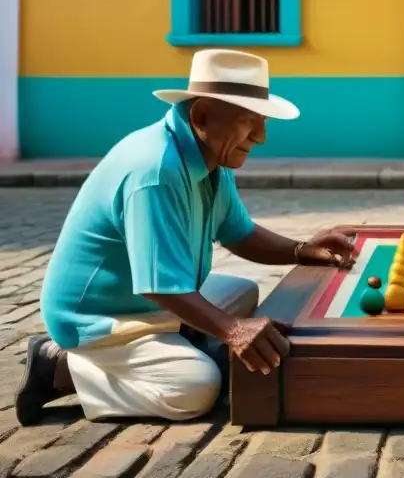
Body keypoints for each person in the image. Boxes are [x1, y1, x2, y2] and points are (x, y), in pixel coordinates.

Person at [16, 49, 355, 426]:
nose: (260, 136)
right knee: (194, 388)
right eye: (249, 121)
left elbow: (239, 234)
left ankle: (190, 339)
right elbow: (160, 286)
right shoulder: (156, 171)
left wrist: (302, 250)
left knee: (242, 292)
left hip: (150, 296)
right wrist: (232, 330)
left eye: (263, 121)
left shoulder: (209, 154)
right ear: (202, 116)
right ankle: (58, 367)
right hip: (99, 317)